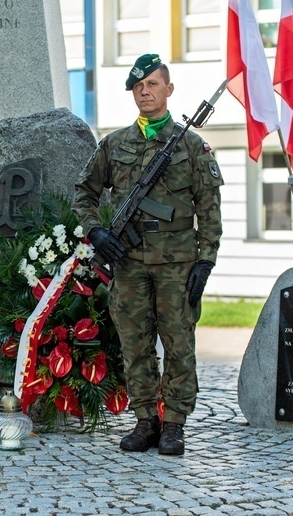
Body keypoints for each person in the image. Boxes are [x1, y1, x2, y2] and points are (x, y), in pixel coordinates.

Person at [72, 54, 223, 456]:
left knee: (178, 343)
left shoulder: (192, 146)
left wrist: (205, 260)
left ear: (168, 89)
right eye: (138, 86)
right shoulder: (115, 144)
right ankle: (145, 420)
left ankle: (173, 423)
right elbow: (84, 193)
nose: (145, 92)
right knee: (135, 343)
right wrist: (96, 231)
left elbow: (209, 209)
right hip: (129, 262)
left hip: (177, 263)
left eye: (153, 84)